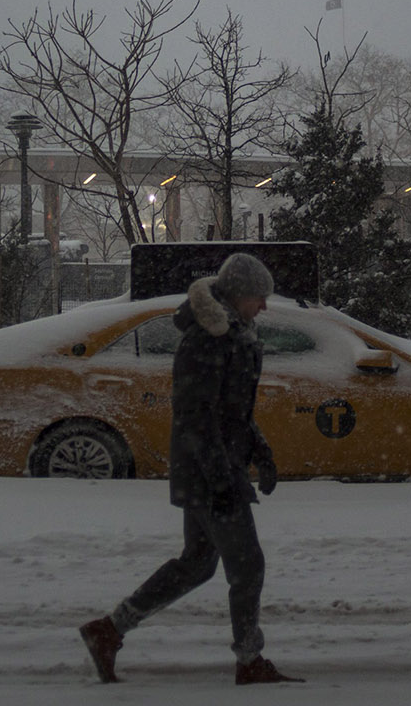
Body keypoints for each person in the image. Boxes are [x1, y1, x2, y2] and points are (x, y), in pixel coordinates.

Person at [79, 252, 302, 685]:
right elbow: (197, 416)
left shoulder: (233, 335)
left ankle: (109, 630)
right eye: (260, 297)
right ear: (238, 295)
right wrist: (221, 478)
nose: (265, 306)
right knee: (248, 565)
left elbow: (232, 411)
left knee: (198, 563)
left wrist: (261, 452)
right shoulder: (207, 339)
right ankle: (249, 660)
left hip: (209, 467)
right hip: (209, 470)